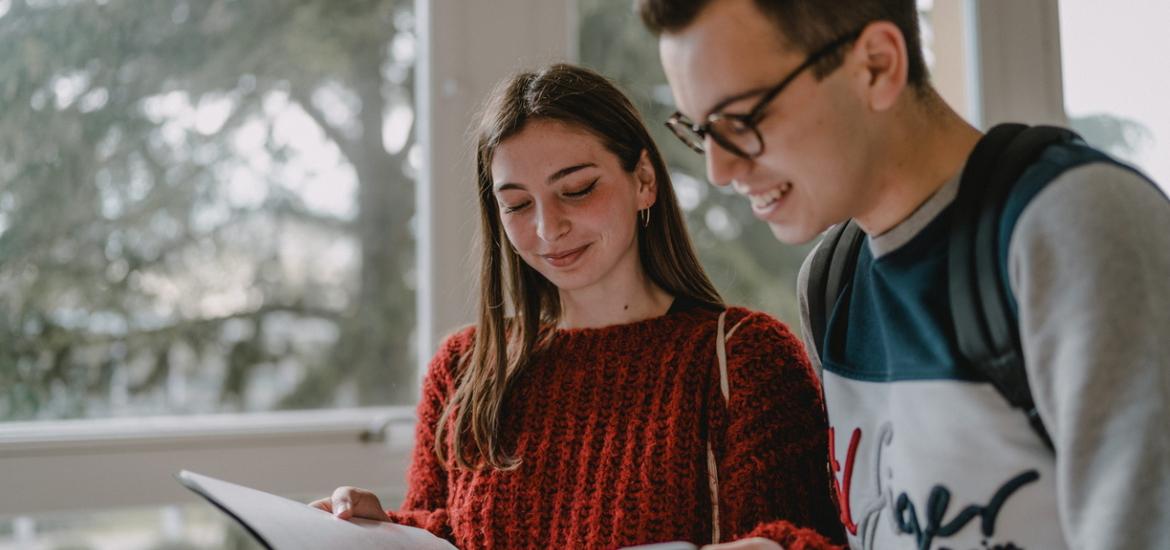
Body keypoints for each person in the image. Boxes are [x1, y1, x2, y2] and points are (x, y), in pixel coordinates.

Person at [638, 0, 1170, 549]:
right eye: (701, 130)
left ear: (876, 65)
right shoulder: (831, 280)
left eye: (743, 121)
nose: (719, 171)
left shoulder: (1072, 226)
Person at [309, 63, 845, 549]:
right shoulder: (463, 368)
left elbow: (813, 541)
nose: (548, 228)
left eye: (578, 189)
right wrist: (386, 530)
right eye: (517, 205)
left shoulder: (745, 360)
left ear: (644, 181)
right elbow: (452, 533)